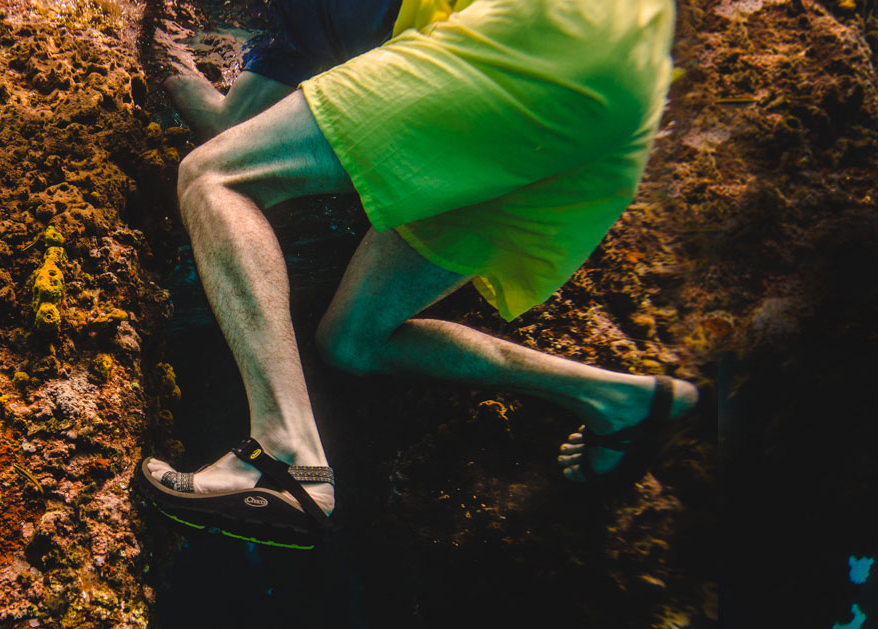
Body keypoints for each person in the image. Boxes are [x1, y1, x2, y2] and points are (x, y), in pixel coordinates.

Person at [134, 0, 700, 550]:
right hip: (622, 107)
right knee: (355, 340)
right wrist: (174, 66)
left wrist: (163, 57)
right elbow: (247, 105)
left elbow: (244, 120)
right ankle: (620, 402)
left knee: (215, 177)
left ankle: (283, 452)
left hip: (545, 37)